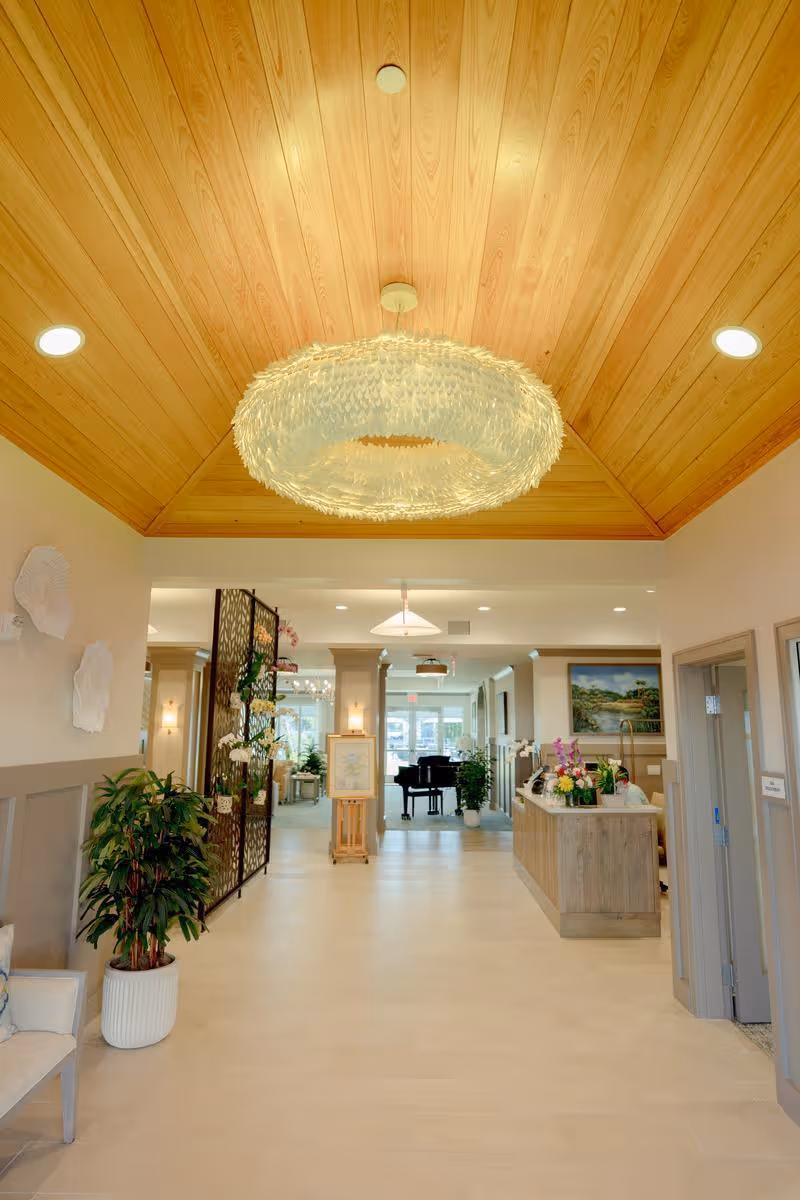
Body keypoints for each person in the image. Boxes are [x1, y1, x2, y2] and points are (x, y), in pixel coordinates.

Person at [617, 768, 669, 894]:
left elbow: (635, 819)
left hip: (641, 833)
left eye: (616, 780)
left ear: (624, 779)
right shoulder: (633, 788)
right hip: (645, 830)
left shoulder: (630, 792)